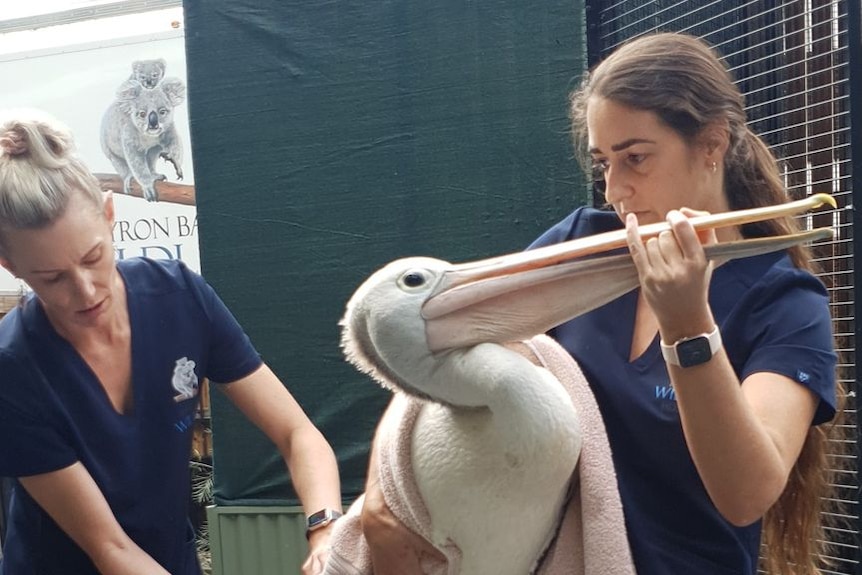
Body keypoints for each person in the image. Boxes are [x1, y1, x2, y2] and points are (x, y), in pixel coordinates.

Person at [359, 32, 844, 575]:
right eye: (603, 164)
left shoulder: (784, 303)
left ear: (711, 144)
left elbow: (747, 493)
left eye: (635, 159)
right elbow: (448, 348)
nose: (615, 192)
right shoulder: (580, 244)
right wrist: (381, 495)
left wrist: (687, 328)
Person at [0, 110, 343, 575]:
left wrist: (327, 537)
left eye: (93, 258)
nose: (85, 291)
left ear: (109, 214)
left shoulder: (178, 295)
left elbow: (298, 434)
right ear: (9, 265)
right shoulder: (13, 367)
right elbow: (110, 550)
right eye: (52, 278)